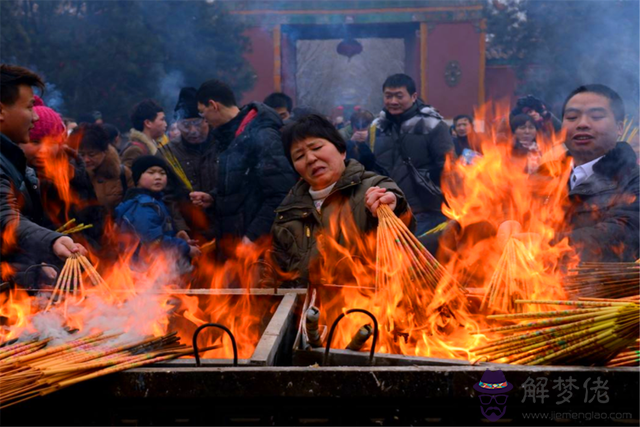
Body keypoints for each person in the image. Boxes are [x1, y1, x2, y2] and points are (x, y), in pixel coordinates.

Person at [272, 114, 414, 286]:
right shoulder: (287, 213)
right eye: (299, 156)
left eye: (316, 147)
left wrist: (394, 206)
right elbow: (279, 277)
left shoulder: (373, 187)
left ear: (341, 150)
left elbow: (401, 223)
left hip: (369, 308)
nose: (310, 159)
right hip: (308, 310)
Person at [0, 64, 86, 285]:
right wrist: (52, 241)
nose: (35, 118)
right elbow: (4, 217)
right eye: (29, 107)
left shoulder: (15, 162)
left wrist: (36, 265)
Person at [196, 78, 296, 243]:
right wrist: (214, 197)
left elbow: (281, 193)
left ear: (213, 105)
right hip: (234, 243)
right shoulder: (229, 135)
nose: (204, 119)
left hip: (257, 250)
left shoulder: (263, 134)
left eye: (202, 112)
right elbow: (246, 185)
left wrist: (252, 237)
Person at [549, 84, 639, 262]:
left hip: (599, 287)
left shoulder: (632, 180)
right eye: (572, 117)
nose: (582, 124)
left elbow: (626, 233)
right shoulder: (545, 174)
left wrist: (545, 244)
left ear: (619, 128)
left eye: (596, 116)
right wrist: (507, 225)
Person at [372, 73, 455, 235]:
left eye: (399, 96)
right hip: (388, 211)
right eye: (388, 96)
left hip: (426, 211)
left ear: (413, 96)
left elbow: (449, 168)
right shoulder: (377, 127)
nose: (393, 101)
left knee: (418, 258)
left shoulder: (432, 125)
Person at [115, 156, 200, 265]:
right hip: (144, 269)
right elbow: (154, 241)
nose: (158, 177)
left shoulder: (156, 201)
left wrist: (175, 236)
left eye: (162, 173)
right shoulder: (143, 205)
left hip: (156, 266)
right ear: (138, 178)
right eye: (151, 173)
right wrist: (185, 248)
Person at [164, 87, 216, 241]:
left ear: (207, 120)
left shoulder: (223, 145)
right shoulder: (168, 154)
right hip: (190, 234)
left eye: (197, 123)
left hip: (226, 230)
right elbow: (168, 197)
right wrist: (180, 228)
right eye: (186, 125)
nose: (193, 131)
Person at [70, 123, 134, 213]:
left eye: (92, 154)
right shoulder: (69, 177)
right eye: (81, 155)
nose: (86, 159)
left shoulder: (122, 174)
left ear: (104, 152)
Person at [121, 99, 167, 168]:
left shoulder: (156, 145)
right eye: (162, 120)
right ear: (148, 123)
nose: (165, 124)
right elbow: (128, 176)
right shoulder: (135, 150)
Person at [344, 109, 385, 174]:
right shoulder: (343, 135)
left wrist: (369, 140)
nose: (361, 129)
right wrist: (350, 143)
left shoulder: (379, 134)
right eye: (357, 126)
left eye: (365, 126)